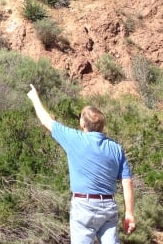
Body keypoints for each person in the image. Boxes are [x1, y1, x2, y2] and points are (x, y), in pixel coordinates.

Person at [27, 84, 136, 243]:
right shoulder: (116, 148)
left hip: (83, 206)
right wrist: (130, 213)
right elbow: (127, 181)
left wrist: (35, 97)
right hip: (108, 206)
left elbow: (46, 121)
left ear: (83, 124)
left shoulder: (74, 139)